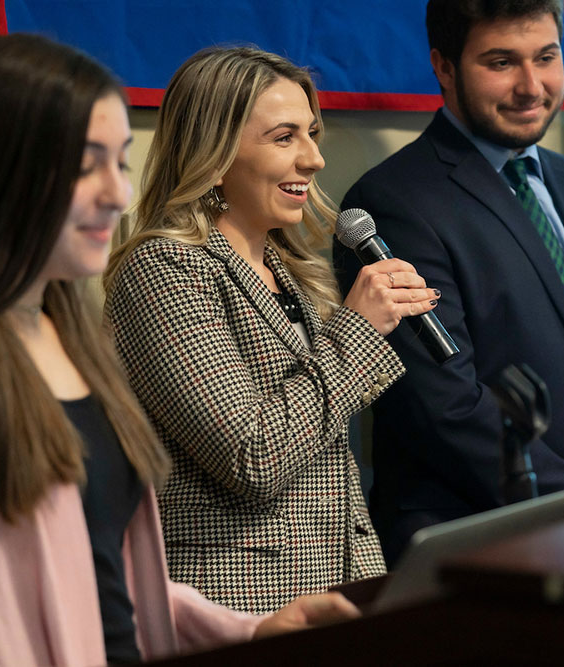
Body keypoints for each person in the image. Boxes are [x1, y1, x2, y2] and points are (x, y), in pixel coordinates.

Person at [0, 34, 358, 666]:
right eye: (86, 164)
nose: (117, 193)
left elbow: (105, 582)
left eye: (121, 161)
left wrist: (247, 630)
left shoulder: (72, 342)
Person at [333, 0, 564, 565]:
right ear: (444, 67)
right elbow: (445, 406)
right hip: (478, 549)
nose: (532, 85)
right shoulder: (394, 203)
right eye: (501, 62)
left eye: (546, 57)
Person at [104, 47, 439, 613]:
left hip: (341, 588)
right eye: (285, 138)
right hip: (240, 605)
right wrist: (356, 331)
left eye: (311, 133)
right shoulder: (163, 271)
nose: (314, 159)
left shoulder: (291, 271)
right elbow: (252, 455)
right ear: (214, 154)